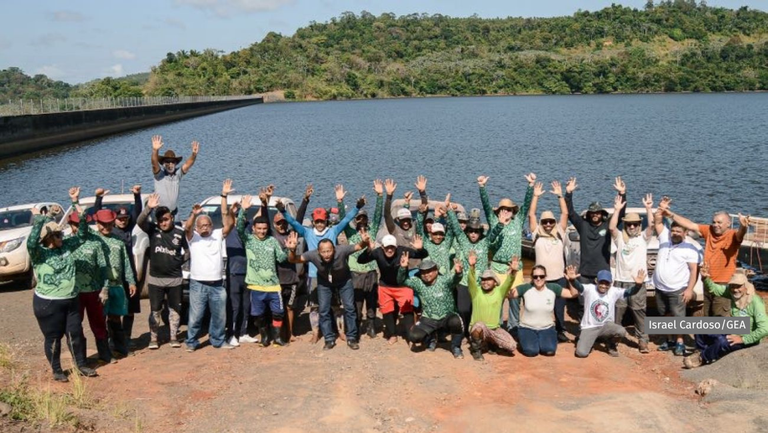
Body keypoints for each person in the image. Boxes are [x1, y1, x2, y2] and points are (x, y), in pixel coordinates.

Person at [28, 187, 97, 382]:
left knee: (75, 333)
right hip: (48, 302)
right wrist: (40, 219)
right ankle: (57, 370)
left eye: (60, 234)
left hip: (71, 300)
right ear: (48, 238)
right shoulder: (39, 253)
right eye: (57, 235)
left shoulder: (66, 245)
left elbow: (83, 233)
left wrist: (75, 202)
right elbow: (31, 242)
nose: (61, 237)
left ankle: (81, 364)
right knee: (53, 337)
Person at [278, 184, 359, 344]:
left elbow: (346, 219)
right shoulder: (307, 232)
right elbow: (293, 223)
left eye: (322, 221)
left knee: (337, 306)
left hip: (335, 275)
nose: (320, 223)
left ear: (326, 221)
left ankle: (341, 331)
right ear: (314, 221)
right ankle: (316, 332)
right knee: (315, 307)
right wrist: (282, 211)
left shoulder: (333, 231)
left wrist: (357, 207)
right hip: (314, 275)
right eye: (317, 221)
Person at [285, 228, 371, 350]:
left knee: (350, 308)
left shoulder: (342, 250)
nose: (326, 254)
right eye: (323, 252)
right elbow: (293, 259)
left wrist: (364, 242)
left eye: (329, 251)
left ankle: (351, 337)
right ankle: (329, 339)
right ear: (318, 252)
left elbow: (358, 247)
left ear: (334, 249)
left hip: (344, 281)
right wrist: (292, 250)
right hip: (324, 283)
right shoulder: (312, 254)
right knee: (324, 310)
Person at [661, 203, 749, 318]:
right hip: (707, 281)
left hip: (723, 284)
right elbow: (691, 225)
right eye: (714, 222)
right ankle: (708, 336)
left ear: (728, 224)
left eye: (719, 222)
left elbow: (740, 235)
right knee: (707, 315)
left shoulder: (732, 235)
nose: (715, 225)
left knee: (720, 317)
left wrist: (743, 227)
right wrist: (671, 215)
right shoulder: (709, 230)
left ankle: (724, 336)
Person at [183, 179, 236, 352]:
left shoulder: (218, 234)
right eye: (202, 225)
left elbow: (229, 223)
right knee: (196, 316)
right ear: (197, 228)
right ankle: (191, 342)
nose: (205, 227)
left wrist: (224, 196)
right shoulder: (193, 238)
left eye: (207, 225)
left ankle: (218, 341)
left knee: (219, 316)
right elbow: (187, 228)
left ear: (212, 226)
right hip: (198, 283)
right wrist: (193, 214)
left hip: (217, 284)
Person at [480, 174, 535, 335]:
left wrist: (530, 186)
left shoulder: (518, 221)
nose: (506, 211)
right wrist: (482, 187)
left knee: (515, 299)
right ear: (498, 211)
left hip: (515, 267)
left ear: (513, 211)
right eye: (503, 209)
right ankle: (495, 327)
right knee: (497, 299)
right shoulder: (493, 220)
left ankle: (513, 327)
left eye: (509, 209)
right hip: (497, 266)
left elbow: (526, 203)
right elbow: (485, 204)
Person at [684, 266, 768, 368]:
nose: (735, 289)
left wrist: (743, 339)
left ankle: (702, 357)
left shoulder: (755, 302)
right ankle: (701, 350)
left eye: (738, 286)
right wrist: (705, 279)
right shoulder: (732, 292)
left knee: (722, 341)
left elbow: (764, 329)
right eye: (732, 286)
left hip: (746, 336)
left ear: (745, 286)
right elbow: (714, 289)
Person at [94, 185, 143, 349]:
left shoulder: (129, 228)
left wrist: (137, 195)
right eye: (120, 219)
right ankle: (113, 340)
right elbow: (98, 216)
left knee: (129, 309)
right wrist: (99, 198)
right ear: (113, 220)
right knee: (111, 311)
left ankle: (126, 337)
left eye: (125, 218)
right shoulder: (109, 231)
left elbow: (138, 212)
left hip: (128, 273)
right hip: (111, 276)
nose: (123, 221)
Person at [237, 195, 290, 347]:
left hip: (273, 285)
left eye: (264, 229)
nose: (262, 231)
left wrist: (288, 249)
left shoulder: (272, 241)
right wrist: (243, 210)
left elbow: (281, 258)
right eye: (259, 229)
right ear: (253, 228)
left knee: (278, 312)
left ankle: (277, 337)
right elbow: (239, 227)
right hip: (256, 286)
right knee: (259, 315)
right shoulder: (249, 240)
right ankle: (265, 337)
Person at [357, 234, 428, 344]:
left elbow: (423, 254)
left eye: (392, 247)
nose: (390, 250)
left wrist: (420, 249)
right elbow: (360, 260)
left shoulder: (403, 251)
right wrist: (368, 250)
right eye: (387, 247)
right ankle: (392, 334)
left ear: (396, 246)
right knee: (387, 310)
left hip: (403, 285)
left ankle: (410, 333)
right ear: (382, 247)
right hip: (385, 286)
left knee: (407, 310)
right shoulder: (377, 252)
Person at [137, 193, 187, 349]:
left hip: (175, 279)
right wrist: (148, 208)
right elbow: (139, 222)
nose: (163, 223)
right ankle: (153, 338)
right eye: (160, 221)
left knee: (175, 309)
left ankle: (173, 337)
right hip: (156, 279)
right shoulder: (153, 230)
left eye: (166, 219)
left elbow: (188, 251)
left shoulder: (180, 232)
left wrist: (180, 261)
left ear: (171, 217)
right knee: (155, 311)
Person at [653, 198, 701, 356]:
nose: (675, 234)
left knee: (678, 316)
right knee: (665, 315)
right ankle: (669, 340)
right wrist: (661, 208)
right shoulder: (664, 238)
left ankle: (680, 342)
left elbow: (694, 271)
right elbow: (658, 222)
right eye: (673, 231)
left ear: (685, 233)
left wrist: (689, 289)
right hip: (660, 287)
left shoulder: (690, 248)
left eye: (679, 232)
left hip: (677, 289)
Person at [608, 193, 654, 353]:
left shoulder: (643, 238)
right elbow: (612, 227)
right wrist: (616, 210)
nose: (632, 227)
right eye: (629, 224)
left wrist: (648, 209)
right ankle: (614, 340)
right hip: (620, 282)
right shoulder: (620, 238)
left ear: (639, 225)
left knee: (639, 313)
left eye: (634, 224)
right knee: (618, 314)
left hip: (638, 283)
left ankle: (643, 341)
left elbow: (652, 226)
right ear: (625, 225)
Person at [339, 179, 384, 339]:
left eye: (364, 218)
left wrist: (380, 196)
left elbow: (378, 215)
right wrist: (340, 201)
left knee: (372, 300)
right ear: (355, 220)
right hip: (355, 272)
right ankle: (356, 326)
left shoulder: (372, 231)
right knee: (356, 302)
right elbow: (343, 220)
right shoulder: (351, 233)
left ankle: (371, 324)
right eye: (359, 219)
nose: (362, 221)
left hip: (371, 271)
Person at [65, 211, 111, 364]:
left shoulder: (96, 243)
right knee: (75, 327)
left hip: (93, 291)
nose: (79, 227)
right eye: (76, 225)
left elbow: (104, 267)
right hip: (74, 293)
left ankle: (105, 355)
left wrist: (105, 288)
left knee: (98, 324)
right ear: (70, 225)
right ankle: (80, 360)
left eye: (81, 224)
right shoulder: (66, 244)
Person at [266, 184, 309, 343]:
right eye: (279, 224)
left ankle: (291, 333)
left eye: (284, 223)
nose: (282, 225)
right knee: (277, 309)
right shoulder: (271, 236)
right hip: (276, 279)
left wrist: (305, 200)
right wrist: (267, 200)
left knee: (291, 307)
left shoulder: (292, 233)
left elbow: (297, 219)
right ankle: (277, 333)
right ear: (274, 225)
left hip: (291, 279)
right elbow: (263, 216)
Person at [398, 256, 465, 359]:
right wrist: (403, 268)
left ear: (436, 271)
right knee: (414, 336)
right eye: (423, 272)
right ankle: (431, 337)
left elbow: (456, 279)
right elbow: (401, 281)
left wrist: (458, 273)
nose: (426, 275)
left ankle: (456, 347)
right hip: (428, 318)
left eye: (429, 271)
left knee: (455, 321)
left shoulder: (445, 280)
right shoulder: (418, 283)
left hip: (446, 317)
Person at [528, 180, 569, 343]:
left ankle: (560, 330)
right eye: (545, 222)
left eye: (551, 221)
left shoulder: (560, 232)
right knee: (539, 307)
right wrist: (535, 196)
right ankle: (537, 330)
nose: (548, 224)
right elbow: (531, 214)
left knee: (559, 308)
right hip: (540, 278)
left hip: (559, 277)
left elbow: (564, 214)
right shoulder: (536, 233)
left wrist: (560, 195)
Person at [565, 176, 627, 283]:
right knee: (585, 299)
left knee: (603, 300)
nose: (595, 215)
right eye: (593, 213)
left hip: (603, 273)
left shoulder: (608, 225)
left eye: (598, 212)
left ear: (602, 214)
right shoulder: (583, 225)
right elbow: (570, 213)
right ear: (589, 214)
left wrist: (622, 193)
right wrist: (568, 193)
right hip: (585, 273)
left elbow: (620, 214)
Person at [572, 269, 646, 358]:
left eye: (607, 283)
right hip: (590, 327)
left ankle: (610, 344)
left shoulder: (614, 291)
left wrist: (638, 286)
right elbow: (579, 287)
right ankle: (588, 340)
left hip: (606, 326)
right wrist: (572, 280)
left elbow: (629, 292)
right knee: (581, 353)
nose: (603, 286)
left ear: (611, 283)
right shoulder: (590, 289)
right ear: (596, 281)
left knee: (621, 331)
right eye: (601, 283)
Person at [513, 264, 580, 357]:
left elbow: (573, 294)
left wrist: (572, 280)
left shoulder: (553, 288)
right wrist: (512, 274)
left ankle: (540, 340)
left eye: (542, 276)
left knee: (549, 351)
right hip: (527, 327)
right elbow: (509, 294)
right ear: (532, 277)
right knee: (531, 352)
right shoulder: (526, 288)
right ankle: (524, 339)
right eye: (535, 276)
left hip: (547, 328)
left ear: (546, 277)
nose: (538, 279)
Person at [447, 202, 490, 338]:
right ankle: (464, 331)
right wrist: (449, 210)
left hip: (480, 284)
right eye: (470, 231)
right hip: (464, 282)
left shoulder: (485, 243)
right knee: (463, 309)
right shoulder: (463, 241)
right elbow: (456, 228)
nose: (473, 234)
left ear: (480, 232)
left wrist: (500, 223)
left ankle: (475, 333)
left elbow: (495, 231)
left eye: (476, 231)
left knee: (477, 310)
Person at [466, 251, 517, 361]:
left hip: (494, 329)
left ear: (495, 282)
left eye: (488, 279)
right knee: (478, 326)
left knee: (512, 345)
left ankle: (490, 343)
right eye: (483, 279)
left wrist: (513, 271)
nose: (485, 282)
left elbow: (509, 282)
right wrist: (472, 266)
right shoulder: (476, 292)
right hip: (479, 328)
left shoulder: (500, 292)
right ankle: (477, 350)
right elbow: (470, 280)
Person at [150, 134, 198, 215]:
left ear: (176, 163)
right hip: (161, 213)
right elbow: (154, 163)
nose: (170, 164)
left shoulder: (178, 175)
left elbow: (188, 164)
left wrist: (194, 154)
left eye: (172, 162)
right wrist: (155, 150)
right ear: (162, 164)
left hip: (174, 213)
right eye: (167, 162)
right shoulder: (159, 175)